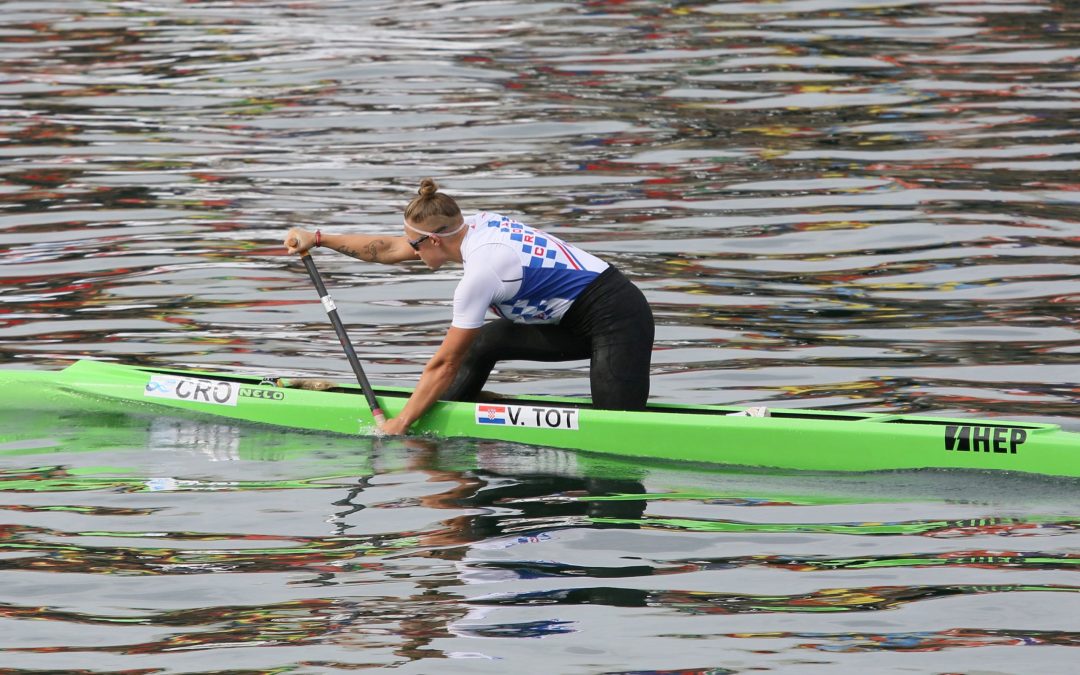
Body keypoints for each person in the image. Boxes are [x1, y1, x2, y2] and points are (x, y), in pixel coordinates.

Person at [284, 178, 654, 435]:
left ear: (432, 241)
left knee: (620, 426)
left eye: (415, 245)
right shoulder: (469, 228)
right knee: (483, 343)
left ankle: (416, 419)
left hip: (618, 318)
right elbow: (389, 248)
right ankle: (443, 414)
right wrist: (318, 238)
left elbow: (443, 362)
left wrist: (398, 425)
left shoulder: (482, 271)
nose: (408, 250)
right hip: (571, 318)